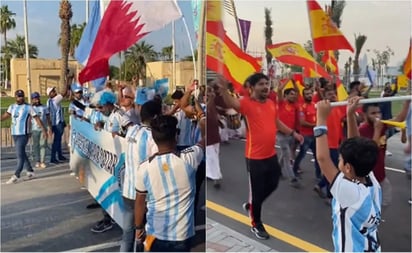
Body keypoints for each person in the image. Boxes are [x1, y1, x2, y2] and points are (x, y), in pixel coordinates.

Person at [216, 73, 303, 240]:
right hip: (254, 157)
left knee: (274, 182)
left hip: (270, 154)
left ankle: (251, 206)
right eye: (261, 84)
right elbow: (231, 103)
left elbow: (276, 123)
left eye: (267, 84)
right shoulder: (246, 103)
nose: (266, 87)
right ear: (252, 87)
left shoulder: (271, 103)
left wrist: (293, 133)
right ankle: (256, 223)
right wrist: (224, 90)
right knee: (256, 192)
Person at [316, 97, 383, 252]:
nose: (337, 161)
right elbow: (356, 145)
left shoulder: (351, 193)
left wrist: (321, 118)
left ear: (347, 167)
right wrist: (350, 115)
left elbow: (323, 159)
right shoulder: (371, 180)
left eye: (339, 159)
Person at [134, 115, 205, 252]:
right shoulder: (190, 158)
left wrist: (138, 228)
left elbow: (139, 202)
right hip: (182, 235)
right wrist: (203, 121)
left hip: (154, 234)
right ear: (176, 135)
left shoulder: (144, 168)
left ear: (154, 139)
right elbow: (203, 142)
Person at [120, 100, 161, 252]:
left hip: (127, 191)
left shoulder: (132, 130)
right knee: (143, 236)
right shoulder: (152, 137)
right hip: (144, 196)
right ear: (156, 116)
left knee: (127, 234)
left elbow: (123, 120)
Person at [358, 100, 410, 211]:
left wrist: (407, 103)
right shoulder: (363, 130)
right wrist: (377, 130)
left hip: (381, 175)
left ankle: (375, 218)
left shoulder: (381, 125)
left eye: (379, 112)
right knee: (369, 206)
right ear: (365, 115)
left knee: (385, 202)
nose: (377, 116)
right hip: (369, 178)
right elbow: (372, 150)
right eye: (373, 113)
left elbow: (399, 119)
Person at [1, 90, 47, 184]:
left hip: (23, 134)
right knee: (22, 153)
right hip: (15, 133)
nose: (20, 98)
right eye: (18, 96)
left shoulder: (28, 107)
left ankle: (16, 175)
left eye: (21, 96)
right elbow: (6, 115)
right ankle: (30, 171)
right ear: (15, 97)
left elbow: (37, 118)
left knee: (19, 154)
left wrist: (44, 129)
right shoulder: (12, 107)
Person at [31, 92, 52, 169]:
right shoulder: (31, 108)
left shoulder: (44, 107)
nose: (36, 100)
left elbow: (48, 118)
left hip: (44, 128)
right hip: (34, 129)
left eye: (37, 98)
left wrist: (49, 127)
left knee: (43, 145)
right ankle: (37, 161)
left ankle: (43, 161)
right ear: (32, 99)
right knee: (36, 146)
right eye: (34, 98)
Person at [47, 86, 67, 163]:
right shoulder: (55, 100)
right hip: (58, 123)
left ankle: (59, 155)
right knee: (57, 141)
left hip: (55, 123)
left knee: (58, 140)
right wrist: (68, 80)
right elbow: (64, 93)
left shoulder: (49, 101)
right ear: (49, 94)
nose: (55, 92)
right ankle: (53, 158)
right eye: (52, 91)